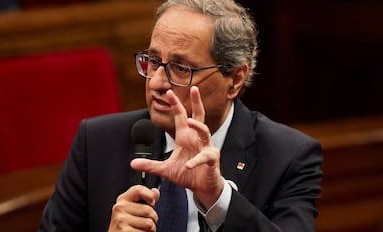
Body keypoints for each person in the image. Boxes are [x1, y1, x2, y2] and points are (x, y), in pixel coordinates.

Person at [38, 0, 323, 231]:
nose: (157, 82)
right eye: (153, 61)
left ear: (235, 80)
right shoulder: (97, 142)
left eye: (181, 68)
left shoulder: (289, 156)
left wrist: (217, 198)